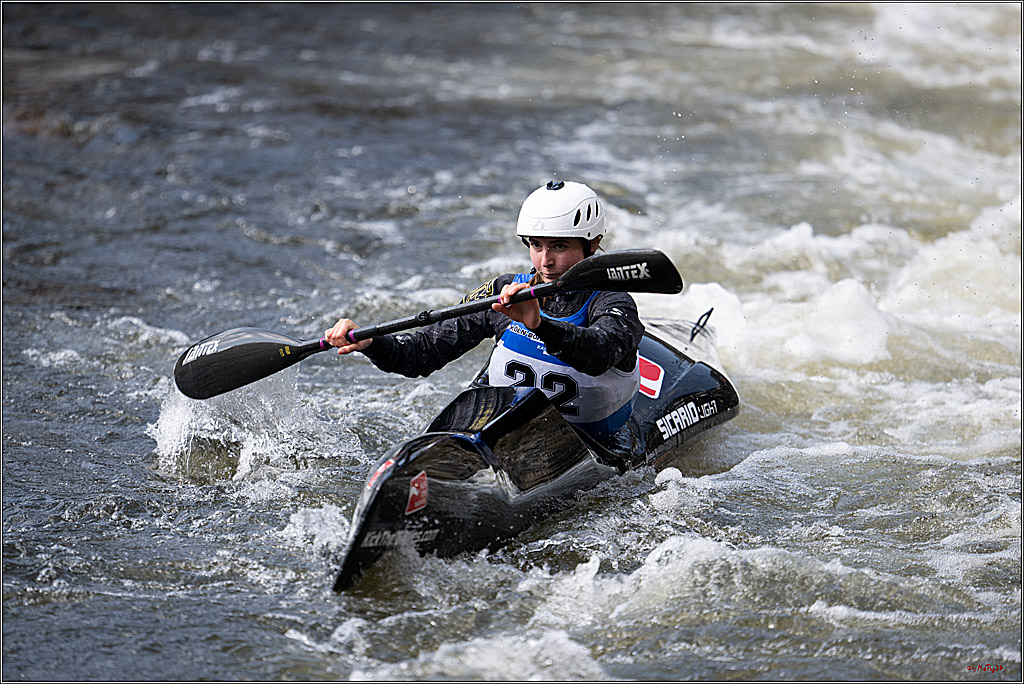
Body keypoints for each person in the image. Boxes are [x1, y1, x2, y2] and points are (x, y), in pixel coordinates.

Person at [325, 180, 644, 440]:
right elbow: (421, 354)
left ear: (592, 243)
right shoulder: (502, 294)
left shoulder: (612, 301)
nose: (545, 260)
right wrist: (371, 344)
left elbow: (600, 353)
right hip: (507, 438)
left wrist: (541, 326)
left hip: (591, 445)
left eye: (559, 246)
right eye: (536, 245)